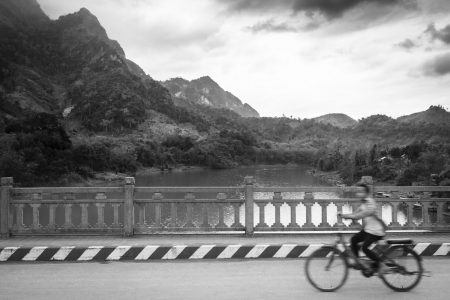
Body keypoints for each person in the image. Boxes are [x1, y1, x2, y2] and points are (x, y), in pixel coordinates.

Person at [338, 183, 386, 271]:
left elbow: (361, 215)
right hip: (368, 230)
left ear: (366, 193)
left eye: (361, 191)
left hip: (377, 231)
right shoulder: (363, 203)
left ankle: (380, 263)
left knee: (365, 248)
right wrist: (344, 216)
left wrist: (347, 216)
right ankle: (358, 262)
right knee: (354, 240)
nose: (358, 193)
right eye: (357, 191)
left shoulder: (370, 202)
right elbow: (355, 214)